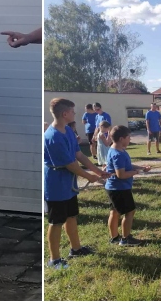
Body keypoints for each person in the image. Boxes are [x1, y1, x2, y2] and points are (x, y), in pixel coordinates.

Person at [44, 98, 108, 270]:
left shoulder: (68, 131)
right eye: (73, 111)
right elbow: (70, 164)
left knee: (71, 216)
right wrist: (89, 177)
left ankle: (76, 249)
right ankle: (54, 260)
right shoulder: (53, 136)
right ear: (65, 114)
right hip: (56, 184)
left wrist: (97, 171)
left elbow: (79, 155)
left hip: (68, 183)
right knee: (56, 221)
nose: (75, 114)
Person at [105, 124, 150, 247]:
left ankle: (114, 237)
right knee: (129, 212)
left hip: (113, 187)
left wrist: (141, 168)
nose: (130, 139)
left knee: (114, 212)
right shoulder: (118, 155)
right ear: (121, 139)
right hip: (119, 188)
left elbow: (126, 167)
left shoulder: (116, 150)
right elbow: (121, 174)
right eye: (128, 137)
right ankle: (125, 239)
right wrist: (136, 172)